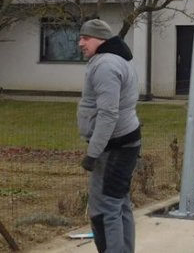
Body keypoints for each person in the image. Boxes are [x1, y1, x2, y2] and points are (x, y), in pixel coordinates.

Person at [76, 18, 142, 253]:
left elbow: (108, 114)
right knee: (119, 202)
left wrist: (93, 153)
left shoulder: (105, 65)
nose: (80, 43)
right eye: (80, 37)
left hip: (114, 146)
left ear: (101, 40)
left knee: (104, 209)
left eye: (86, 38)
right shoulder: (116, 60)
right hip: (124, 141)